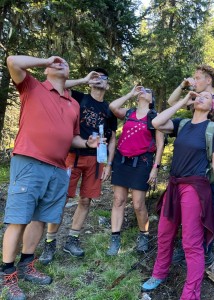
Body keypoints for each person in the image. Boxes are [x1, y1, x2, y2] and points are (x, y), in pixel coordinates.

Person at [0, 55, 99, 300]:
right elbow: (12, 61)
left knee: (41, 219)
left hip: (57, 168)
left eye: (66, 63)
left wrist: (87, 142)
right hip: (29, 161)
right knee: (19, 219)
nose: (61, 63)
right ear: (46, 70)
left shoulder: (73, 103)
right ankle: (7, 274)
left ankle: (27, 264)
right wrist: (45, 59)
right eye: (57, 62)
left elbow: (72, 137)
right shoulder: (32, 86)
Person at [141, 90, 214, 300]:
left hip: (195, 188)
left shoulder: (212, 129)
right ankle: (159, 273)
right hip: (174, 185)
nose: (201, 98)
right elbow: (156, 123)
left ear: (212, 108)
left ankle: (190, 294)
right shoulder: (182, 124)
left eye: (207, 97)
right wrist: (182, 101)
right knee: (164, 233)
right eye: (199, 96)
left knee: (191, 242)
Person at [38, 68, 118, 264]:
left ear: (107, 85)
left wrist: (109, 163)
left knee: (85, 201)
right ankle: (50, 242)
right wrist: (83, 78)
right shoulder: (78, 97)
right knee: (61, 199)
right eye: (95, 77)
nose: (99, 80)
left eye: (103, 78)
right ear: (90, 81)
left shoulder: (109, 109)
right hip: (72, 155)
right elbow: (58, 85)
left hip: (96, 160)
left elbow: (113, 138)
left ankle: (72, 239)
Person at [167, 64, 214, 265]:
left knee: (207, 206)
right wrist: (184, 86)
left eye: (198, 77)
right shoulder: (196, 98)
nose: (195, 80)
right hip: (191, 162)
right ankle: (188, 248)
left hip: (206, 161)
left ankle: (206, 249)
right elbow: (170, 102)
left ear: (209, 80)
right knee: (190, 210)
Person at [107, 85, 164, 255]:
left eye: (148, 90)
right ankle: (115, 238)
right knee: (118, 200)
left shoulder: (155, 117)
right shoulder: (129, 112)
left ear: (151, 99)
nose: (143, 91)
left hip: (142, 163)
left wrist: (155, 168)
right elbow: (112, 107)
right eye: (142, 89)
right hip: (122, 161)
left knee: (138, 204)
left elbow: (160, 144)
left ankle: (144, 235)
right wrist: (130, 93)